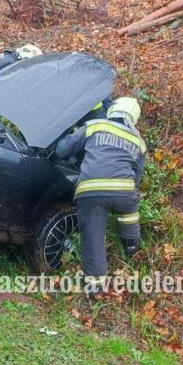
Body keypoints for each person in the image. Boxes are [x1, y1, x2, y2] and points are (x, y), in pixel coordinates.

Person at [53, 97, 147, 294]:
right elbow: (137, 177)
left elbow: (63, 150)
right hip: (124, 192)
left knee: (93, 238)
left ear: (113, 110)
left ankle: (95, 289)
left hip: (91, 191)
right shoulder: (139, 142)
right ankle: (132, 246)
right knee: (129, 213)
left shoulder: (95, 125)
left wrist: (62, 135)